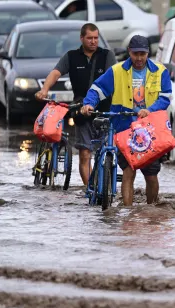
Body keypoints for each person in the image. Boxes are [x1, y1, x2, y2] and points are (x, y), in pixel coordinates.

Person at [81, 35, 172, 207]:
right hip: (124, 128)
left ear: (148, 53)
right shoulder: (117, 71)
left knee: (151, 175)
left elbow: (166, 97)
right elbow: (97, 89)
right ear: (129, 52)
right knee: (128, 172)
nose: (139, 58)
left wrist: (150, 110)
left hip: (150, 130)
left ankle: (150, 211)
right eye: (135, 53)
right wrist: (88, 104)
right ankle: (128, 213)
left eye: (142, 54)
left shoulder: (160, 71)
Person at [35, 23, 116, 188]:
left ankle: (103, 187)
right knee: (85, 154)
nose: (93, 41)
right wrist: (44, 89)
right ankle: (90, 190)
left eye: (96, 38)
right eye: (89, 38)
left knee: (104, 153)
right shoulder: (71, 56)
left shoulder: (107, 56)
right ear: (82, 38)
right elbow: (56, 73)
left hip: (104, 111)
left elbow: (115, 79)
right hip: (81, 110)